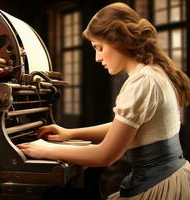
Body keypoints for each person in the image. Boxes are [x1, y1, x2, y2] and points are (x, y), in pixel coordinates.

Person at [18, 2, 190, 199]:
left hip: (159, 185)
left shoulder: (142, 82)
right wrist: (69, 133)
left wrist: (45, 150)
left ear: (119, 40)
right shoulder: (152, 73)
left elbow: (105, 155)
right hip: (172, 175)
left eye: (99, 47)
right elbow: (126, 127)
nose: (97, 57)